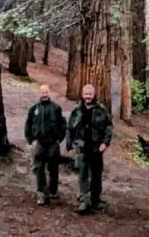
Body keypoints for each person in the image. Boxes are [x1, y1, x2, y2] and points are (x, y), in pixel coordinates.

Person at [65, 84, 113, 214]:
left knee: (96, 175)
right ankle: (84, 201)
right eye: (86, 94)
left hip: (97, 147)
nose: (88, 97)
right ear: (82, 95)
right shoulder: (77, 110)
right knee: (83, 174)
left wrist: (105, 142)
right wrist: (69, 144)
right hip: (81, 147)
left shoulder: (101, 109)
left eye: (90, 94)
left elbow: (108, 127)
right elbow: (70, 128)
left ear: (94, 94)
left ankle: (95, 200)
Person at [25, 84, 67, 205]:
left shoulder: (56, 108)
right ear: (39, 93)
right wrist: (31, 140)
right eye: (42, 92)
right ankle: (42, 194)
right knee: (39, 168)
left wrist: (59, 139)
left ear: (50, 93)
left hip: (53, 143)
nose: (44, 95)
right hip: (39, 143)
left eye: (46, 92)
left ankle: (53, 190)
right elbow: (28, 126)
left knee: (53, 168)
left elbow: (62, 125)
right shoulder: (34, 109)